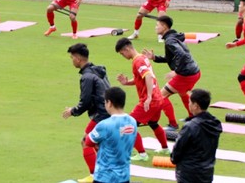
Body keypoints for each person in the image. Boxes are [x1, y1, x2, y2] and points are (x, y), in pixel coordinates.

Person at [62, 43, 111, 183]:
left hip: (101, 115)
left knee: (86, 142)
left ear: (78, 59)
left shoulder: (87, 77)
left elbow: (86, 101)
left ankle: (95, 176)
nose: (72, 60)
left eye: (72, 57)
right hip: (109, 111)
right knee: (98, 144)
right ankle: (103, 172)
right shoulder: (99, 70)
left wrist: (73, 111)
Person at [115, 37, 169, 162]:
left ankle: (142, 154)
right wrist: (126, 82)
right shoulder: (143, 57)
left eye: (122, 53)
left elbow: (149, 76)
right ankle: (165, 148)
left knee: (128, 125)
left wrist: (149, 97)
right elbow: (143, 78)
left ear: (127, 48)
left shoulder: (137, 61)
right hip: (159, 98)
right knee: (153, 123)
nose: (123, 56)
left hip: (150, 100)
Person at [142, 15, 201, 123]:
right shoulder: (173, 37)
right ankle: (193, 118)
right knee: (182, 93)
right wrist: (154, 57)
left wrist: (176, 71)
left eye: (157, 25)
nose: (155, 27)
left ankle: (173, 124)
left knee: (161, 96)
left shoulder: (170, 40)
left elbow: (182, 55)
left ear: (164, 27)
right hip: (194, 72)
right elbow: (169, 58)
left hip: (186, 74)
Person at [84, 87, 137, 183]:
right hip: (124, 177)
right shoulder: (132, 121)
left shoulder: (104, 125)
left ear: (109, 103)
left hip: (104, 177)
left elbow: (88, 141)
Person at [170, 88, 222, 183]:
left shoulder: (190, 126)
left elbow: (178, 149)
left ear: (196, 106)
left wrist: (174, 159)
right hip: (207, 172)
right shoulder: (215, 123)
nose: (188, 104)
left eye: (190, 102)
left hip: (189, 173)